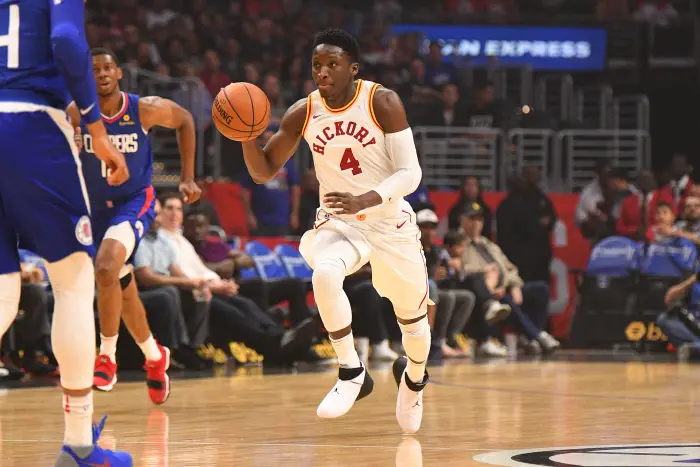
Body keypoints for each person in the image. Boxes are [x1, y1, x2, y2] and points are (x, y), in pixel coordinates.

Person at [240, 28, 430, 433]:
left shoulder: (382, 102)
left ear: (353, 68)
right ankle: (350, 371)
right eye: (316, 65)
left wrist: (367, 199)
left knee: (414, 324)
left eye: (332, 64)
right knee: (324, 272)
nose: (322, 72)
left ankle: (413, 379)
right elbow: (263, 171)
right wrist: (244, 137)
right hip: (339, 220)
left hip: (387, 219)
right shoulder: (303, 112)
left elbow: (411, 173)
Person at [0, 1, 132, 465]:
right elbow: (66, 41)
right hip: (31, 124)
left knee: (1, 292)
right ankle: (79, 447)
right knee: (74, 283)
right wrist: (97, 128)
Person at [68, 48, 201, 405]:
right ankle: (155, 358)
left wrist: (187, 178)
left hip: (133, 202)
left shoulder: (143, 107)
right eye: (94, 68)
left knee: (107, 267)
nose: (101, 73)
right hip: (92, 209)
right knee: (121, 286)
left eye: (107, 67)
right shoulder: (75, 115)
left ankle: (106, 356)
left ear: (119, 73)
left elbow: (186, 119)